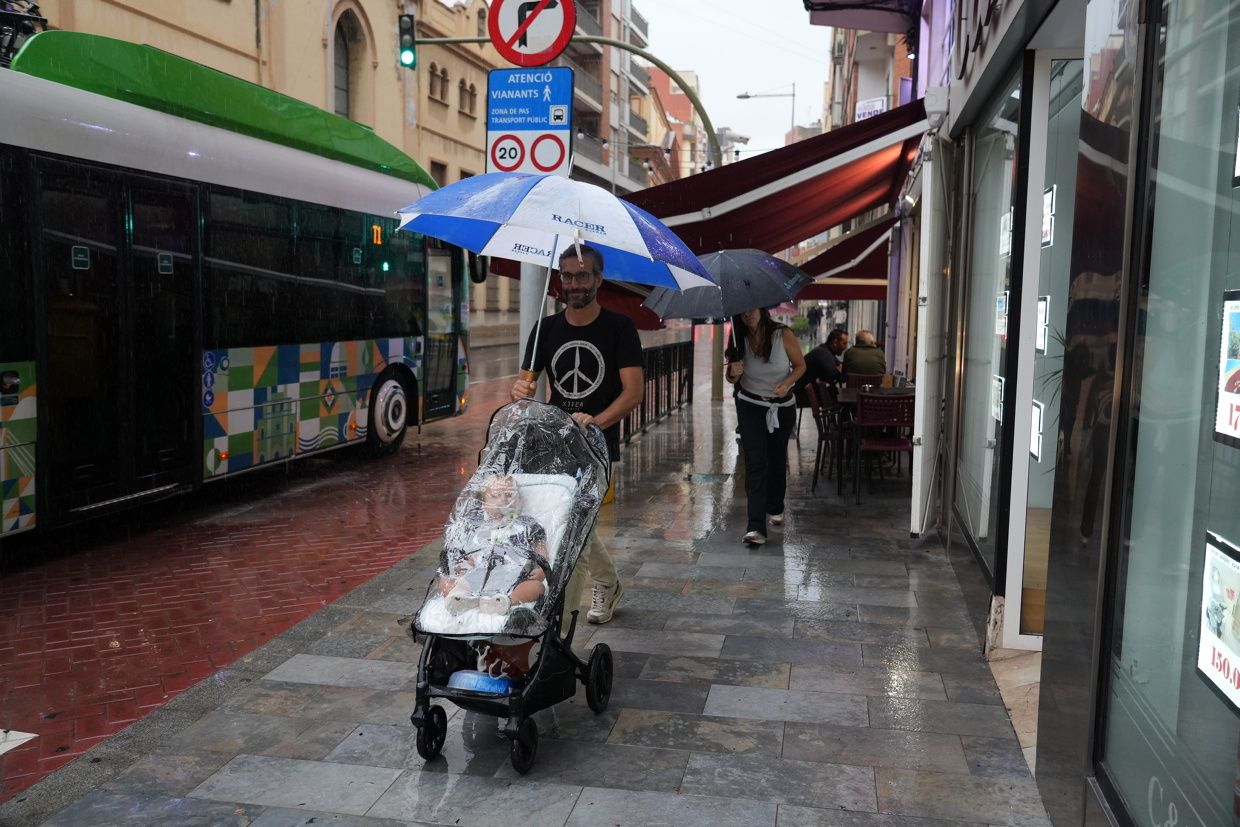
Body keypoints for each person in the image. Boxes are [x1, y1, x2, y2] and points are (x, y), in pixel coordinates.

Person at [511, 244, 642, 625]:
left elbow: (633, 392)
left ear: (598, 279)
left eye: (582, 276)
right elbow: (524, 385)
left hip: (596, 446)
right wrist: (518, 390)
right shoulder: (546, 329)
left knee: (572, 539)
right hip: (553, 445)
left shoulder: (620, 328)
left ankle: (559, 627)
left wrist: (595, 422)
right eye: (567, 276)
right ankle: (609, 582)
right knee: (569, 524)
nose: (573, 284)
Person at [726, 306, 806, 545]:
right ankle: (755, 526)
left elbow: (800, 366)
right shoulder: (737, 337)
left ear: (761, 309)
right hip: (751, 405)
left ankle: (775, 505)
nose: (747, 314)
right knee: (755, 462)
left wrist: (787, 382)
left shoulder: (783, 334)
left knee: (777, 459)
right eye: (742, 311)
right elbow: (731, 378)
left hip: (782, 407)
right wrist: (733, 373)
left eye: (751, 309)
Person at [437, 474, 549, 616]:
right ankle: (462, 599)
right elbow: (462, 550)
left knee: (537, 587)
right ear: (483, 503)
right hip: (477, 574)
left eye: (509, 495)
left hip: (515, 578)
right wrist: (462, 563)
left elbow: (541, 551)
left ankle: (506, 601)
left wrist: (542, 569)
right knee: (448, 580)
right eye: (496, 495)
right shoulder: (474, 525)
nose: (503, 500)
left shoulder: (528, 525)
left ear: (519, 501)